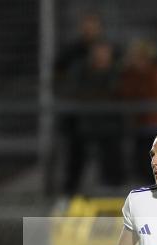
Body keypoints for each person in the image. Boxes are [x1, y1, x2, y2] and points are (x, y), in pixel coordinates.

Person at [61, 40, 123, 191]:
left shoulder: (117, 72)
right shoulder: (81, 70)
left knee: (112, 158)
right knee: (76, 158)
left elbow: (119, 94)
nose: (101, 56)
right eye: (98, 52)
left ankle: (114, 191)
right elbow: (73, 92)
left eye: (104, 52)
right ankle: (71, 192)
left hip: (109, 125)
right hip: (83, 123)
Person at [119, 41, 157, 183]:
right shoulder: (129, 73)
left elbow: (155, 94)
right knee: (140, 161)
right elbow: (124, 93)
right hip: (139, 123)